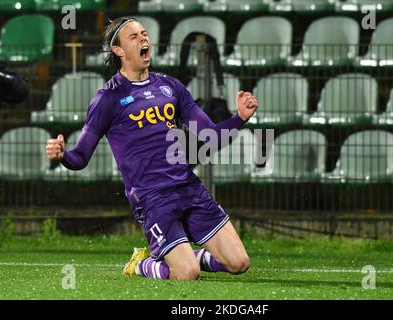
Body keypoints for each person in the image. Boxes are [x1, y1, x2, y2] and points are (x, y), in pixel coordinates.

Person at [46, 17, 258, 280]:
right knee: (187, 274)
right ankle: (141, 264)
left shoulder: (171, 87)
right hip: (152, 198)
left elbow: (210, 135)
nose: (144, 39)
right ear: (118, 50)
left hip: (188, 187)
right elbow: (80, 158)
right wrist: (63, 154)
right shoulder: (108, 98)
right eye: (134, 37)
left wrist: (239, 118)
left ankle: (188, 256)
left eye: (144, 34)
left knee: (239, 263)